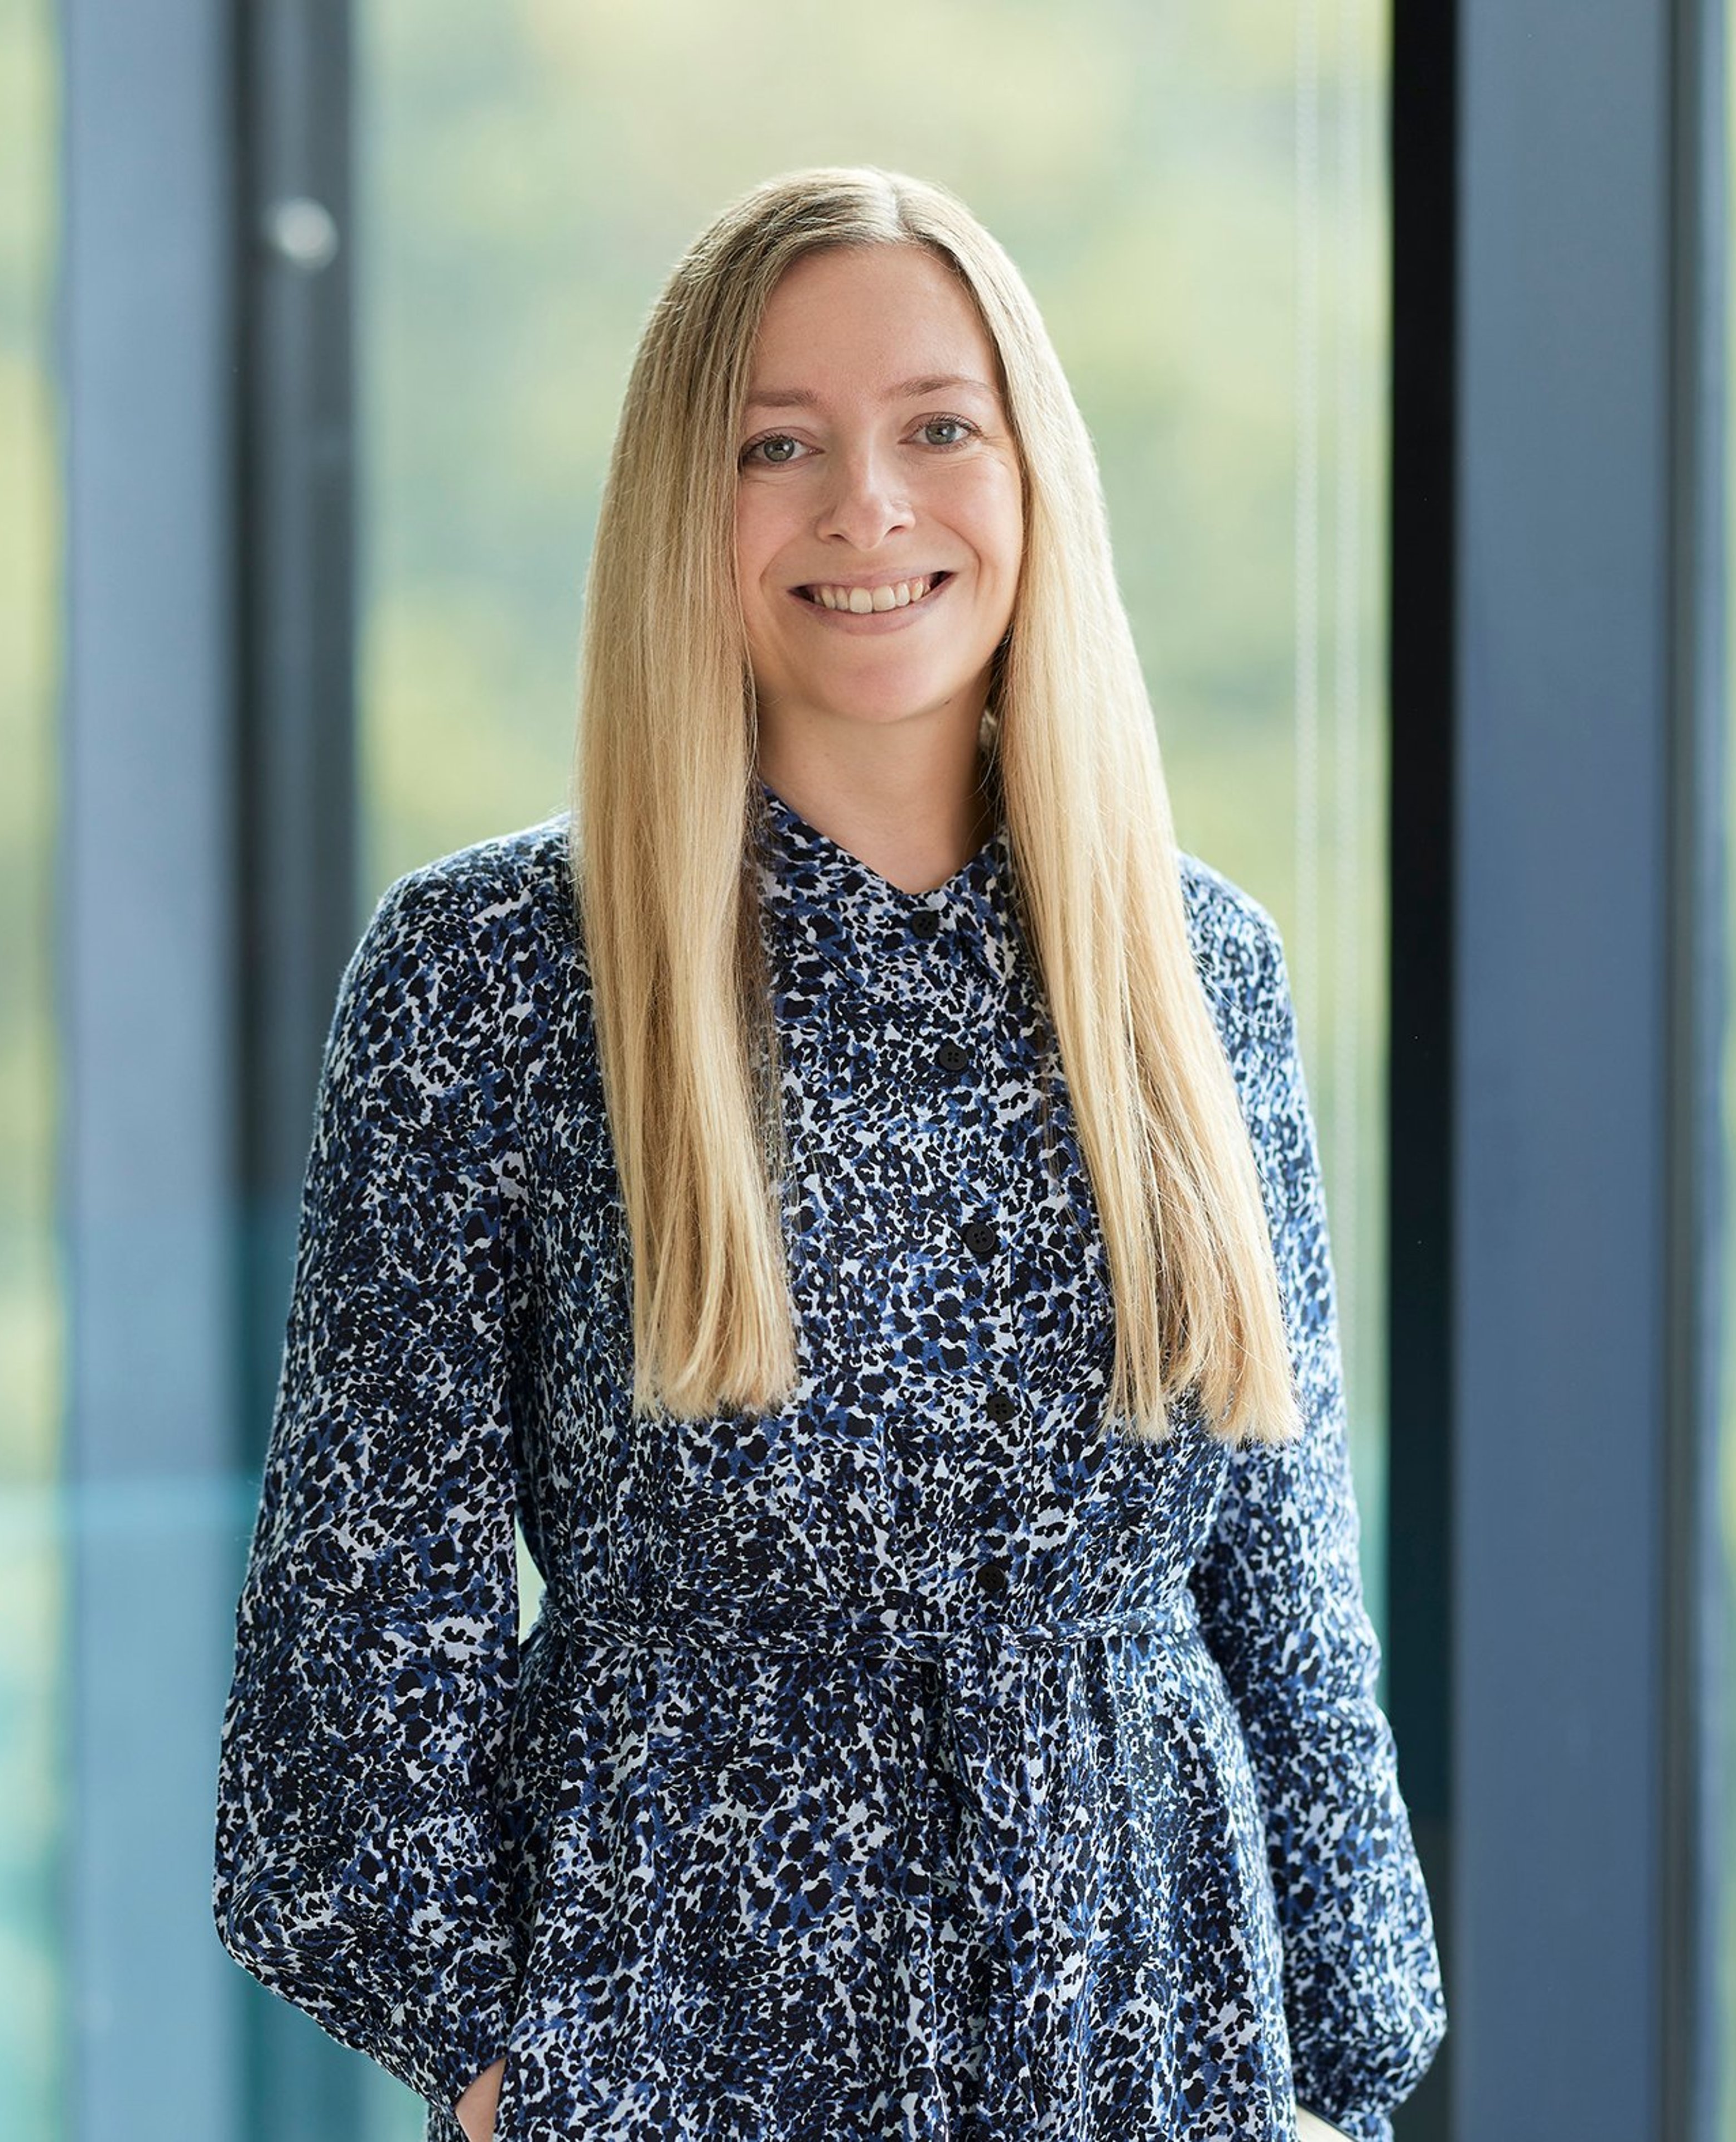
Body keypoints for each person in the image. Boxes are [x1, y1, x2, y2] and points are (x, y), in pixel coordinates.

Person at [213, 166, 1446, 2142]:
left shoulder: (1199, 966)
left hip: (1159, 2051)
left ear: (1033, 472)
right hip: (683, 2059)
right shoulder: (493, 974)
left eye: (937, 427)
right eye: (777, 446)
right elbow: (358, 1634)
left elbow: (1287, 1598)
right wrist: (503, 2076)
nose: (868, 505)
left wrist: (1342, 2078)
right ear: (680, 519)